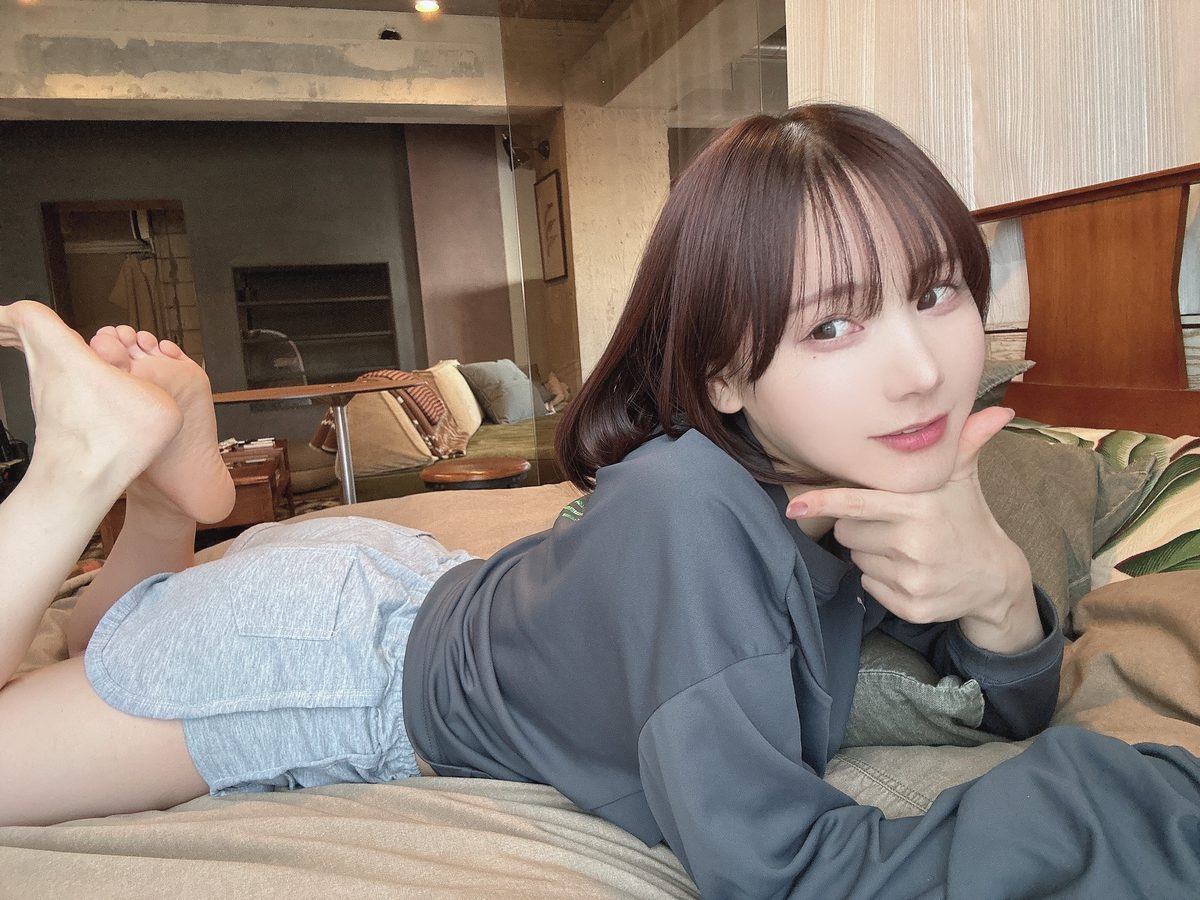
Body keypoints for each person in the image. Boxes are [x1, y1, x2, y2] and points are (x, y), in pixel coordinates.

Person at [1, 104, 1199, 897]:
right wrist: (1135, 809)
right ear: (724, 373)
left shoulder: (833, 478)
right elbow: (784, 871)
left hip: (402, 583)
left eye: (936, 293)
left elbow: (1009, 714)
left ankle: (166, 505)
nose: (921, 369)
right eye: (832, 324)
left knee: (96, 646)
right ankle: (76, 471)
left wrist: (997, 588)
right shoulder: (688, 511)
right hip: (326, 666)